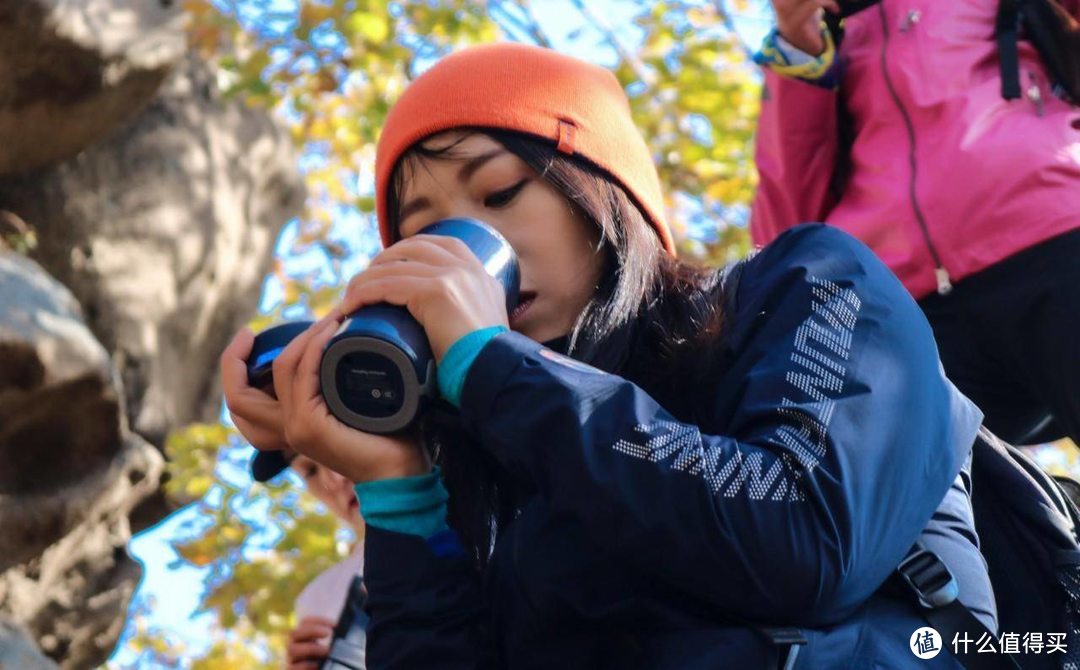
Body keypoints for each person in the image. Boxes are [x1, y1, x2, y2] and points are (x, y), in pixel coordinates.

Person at [222, 43, 997, 668]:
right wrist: (398, 493)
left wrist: (495, 367)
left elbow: (805, 545)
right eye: (422, 233)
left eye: (498, 194)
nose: (462, 253)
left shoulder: (811, 283)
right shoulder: (496, 451)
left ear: (602, 194)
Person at [751, 0, 1080, 446]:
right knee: (932, 512)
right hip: (912, 317)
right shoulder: (825, 42)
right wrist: (799, 47)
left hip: (1053, 236)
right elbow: (785, 237)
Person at [250, 448, 366, 670]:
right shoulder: (318, 598)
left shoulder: (449, 519)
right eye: (311, 471)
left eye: (336, 450)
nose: (334, 480)